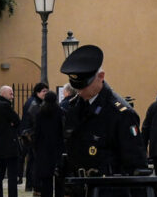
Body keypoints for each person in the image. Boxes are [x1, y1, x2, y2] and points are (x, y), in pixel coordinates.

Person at [59, 45, 148, 196]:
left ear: (101, 77)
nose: (80, 91)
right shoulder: (75, 108)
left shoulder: (120, 113)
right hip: (80, 189)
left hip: (110, 190)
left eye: (84, 86)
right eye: (77, 87)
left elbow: (136, 165)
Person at [0, 85, 22, 197]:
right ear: (3, 94)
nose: (12, 96)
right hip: (9, 145)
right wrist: (11, 124)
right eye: (10, 93)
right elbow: (17, 120)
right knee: (12, 175)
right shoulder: (4, 106)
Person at [33, 91, 64, 197]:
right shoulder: (60, 112)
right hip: (57, 148)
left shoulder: (40, 113)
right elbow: (62, 130)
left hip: (44, 149)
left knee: (46, 180)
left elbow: (36, 132)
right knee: (59, 177)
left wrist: (36, 147)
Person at [21, 82, 49, 193]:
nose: (45, 93)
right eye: (43, 91)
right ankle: (33, 184)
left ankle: (30, 185)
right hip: (32, 136)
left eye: (47, 91)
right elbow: (34, 121)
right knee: (34, 162)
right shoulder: (34, 104)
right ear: (37, 92)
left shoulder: (35, 101)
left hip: (30, 136)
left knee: (31, 162)